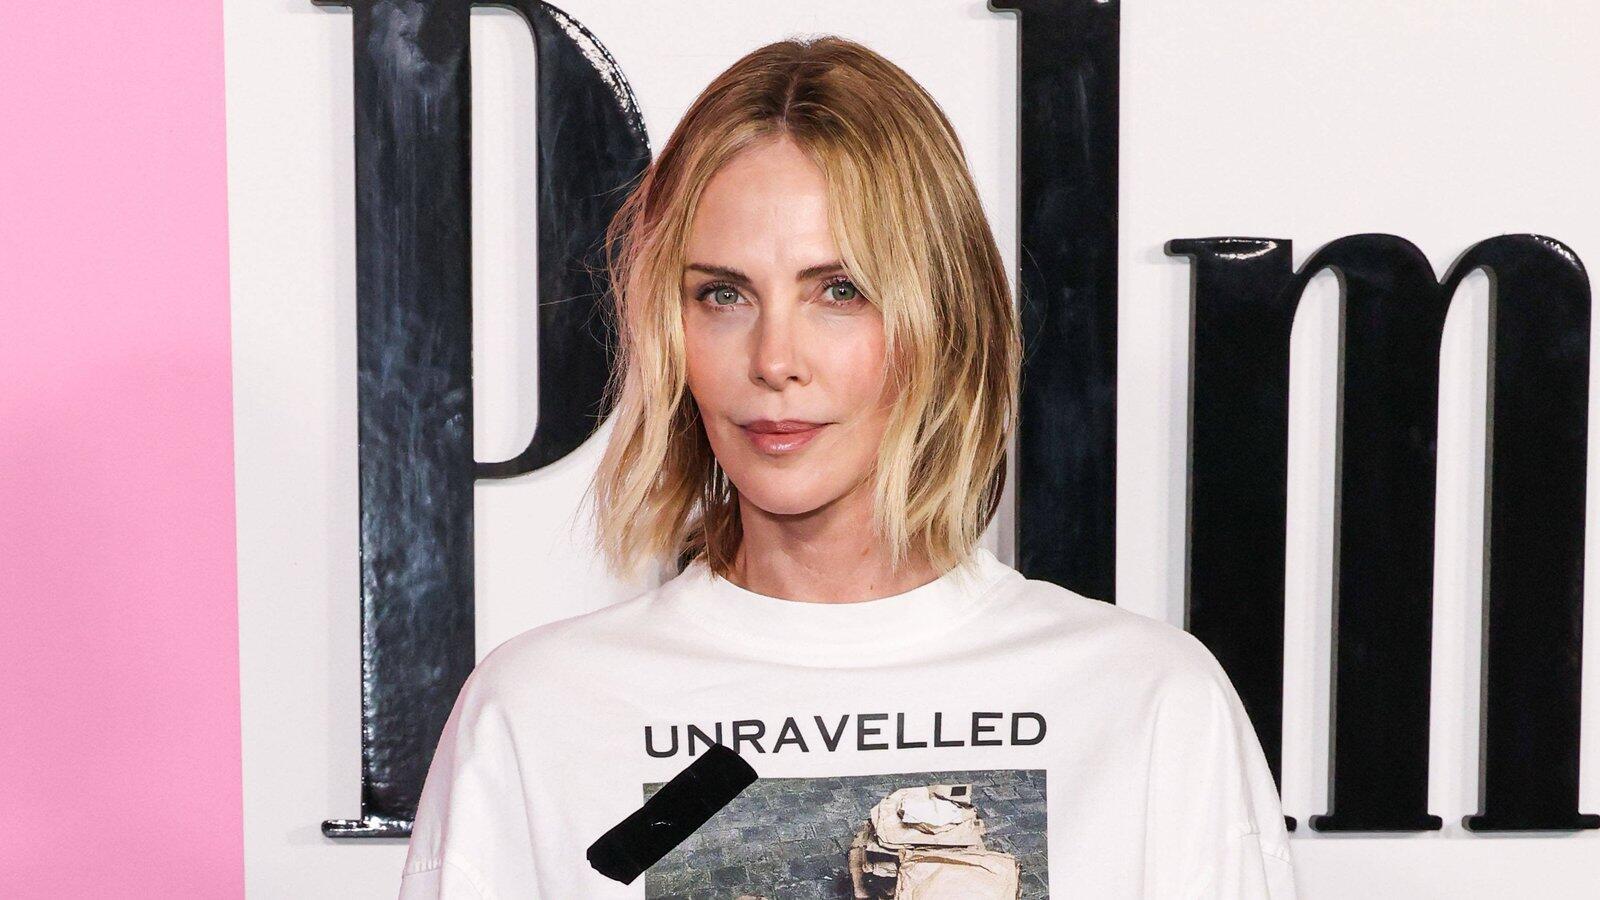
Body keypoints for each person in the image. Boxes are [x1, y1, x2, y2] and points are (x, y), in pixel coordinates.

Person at [399, 35, 1296, 899]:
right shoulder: (541, 713)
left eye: (840, 291)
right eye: (723, 294)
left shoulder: (1145, 704)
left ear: (944, 318)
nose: (773, 360)